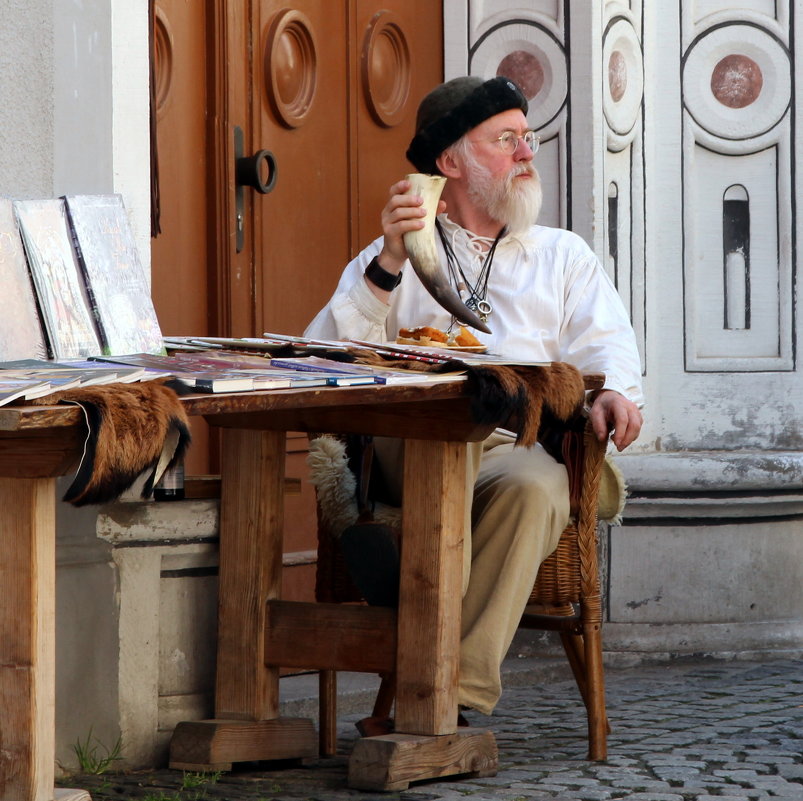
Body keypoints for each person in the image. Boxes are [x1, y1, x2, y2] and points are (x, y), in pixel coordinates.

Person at [305, 75, 644, 718]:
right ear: (449, 161)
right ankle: (426, 649)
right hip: (413, 445)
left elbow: (610, 351)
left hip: (515, 448)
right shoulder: (397, 255)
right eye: (506, 138)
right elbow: (323, 357)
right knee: (451, 429)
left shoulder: (562, 256)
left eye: (527, 135)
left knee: (539, 488)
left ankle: (446, 695)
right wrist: (387, 265)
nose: (527, 151)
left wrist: (617, 396)